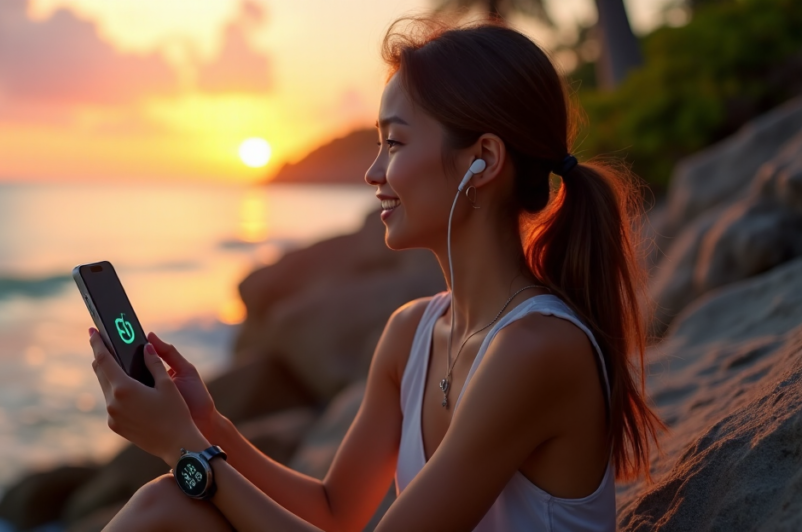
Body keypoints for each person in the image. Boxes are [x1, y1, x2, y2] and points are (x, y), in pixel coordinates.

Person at [87, 16, 663, 532]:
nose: (372, 171)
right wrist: (207, 425)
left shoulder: (537, 348)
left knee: (175, 499)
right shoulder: (412, 332)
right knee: (168, 506)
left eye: (394, 142)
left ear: (481, 160)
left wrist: (183, 450)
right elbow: (334, 512)